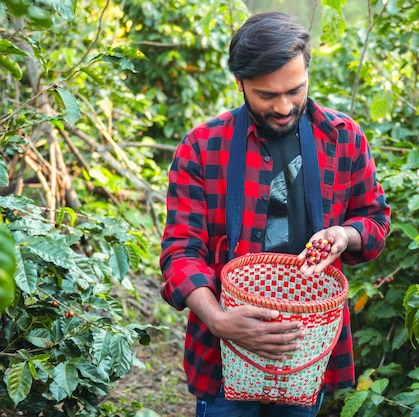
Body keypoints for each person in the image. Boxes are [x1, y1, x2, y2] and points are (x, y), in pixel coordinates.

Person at [159, 11, 391, 417]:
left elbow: (374, 220)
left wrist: (344, 235)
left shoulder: (343, 138)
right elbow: (180, 252)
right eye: (267, 95)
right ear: (240, 84)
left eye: (295, 90)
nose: (284, 106)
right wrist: (217, 320)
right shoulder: (201, 147)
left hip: (307, 347)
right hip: (223, 355)